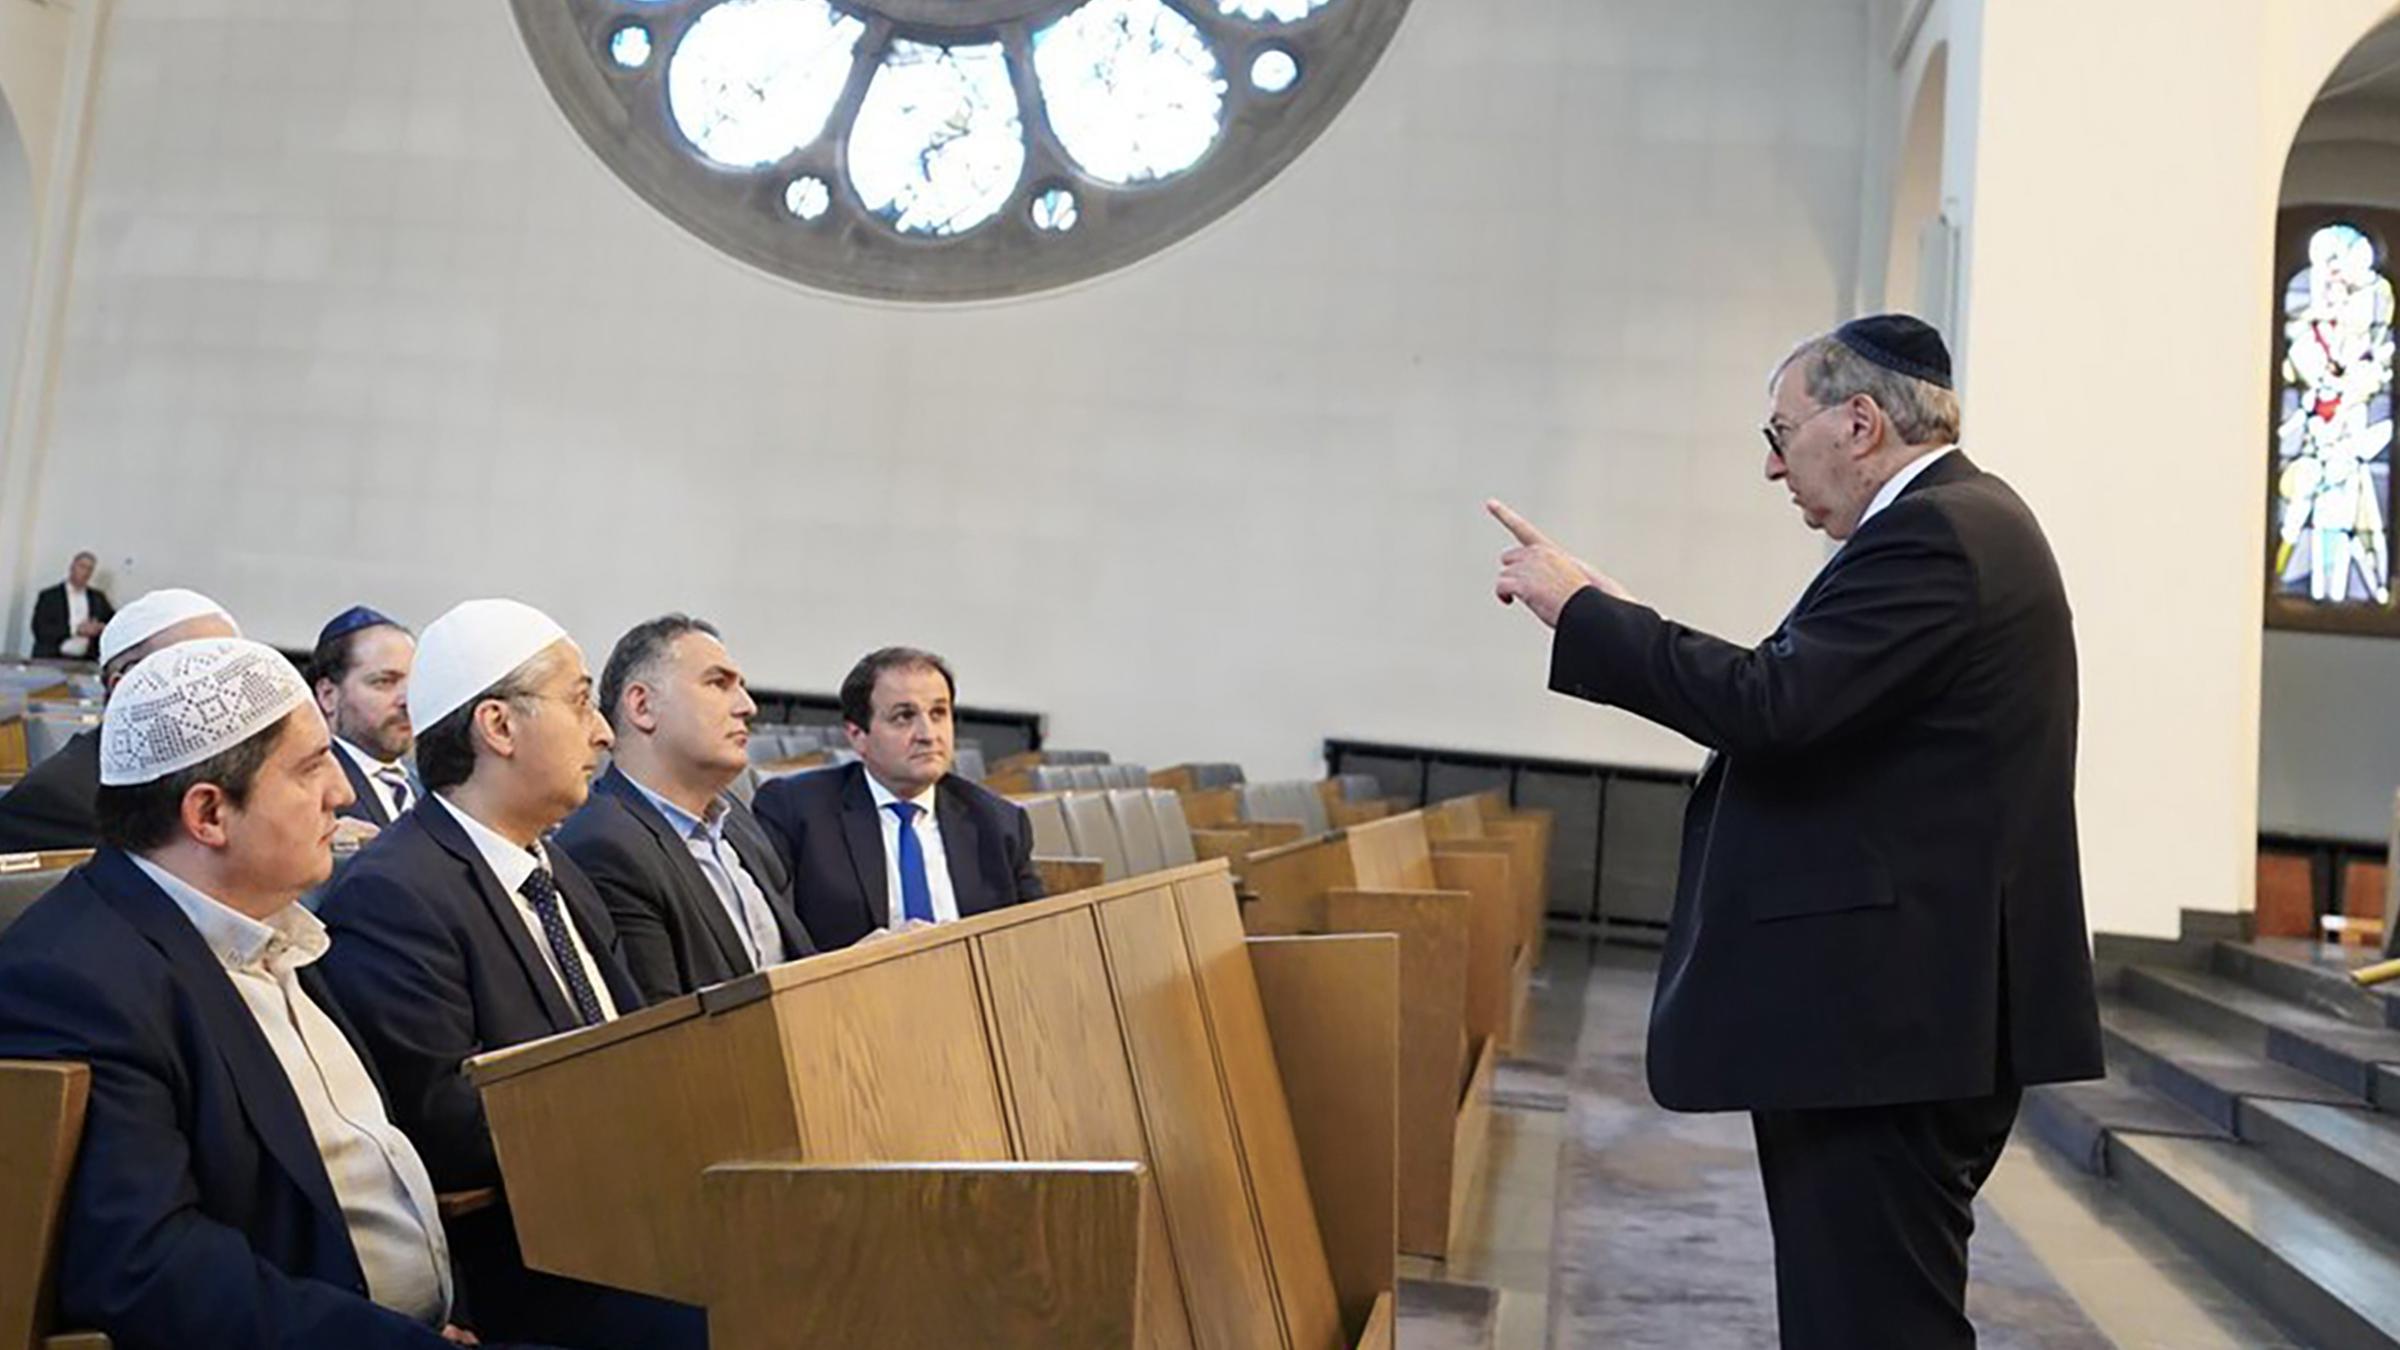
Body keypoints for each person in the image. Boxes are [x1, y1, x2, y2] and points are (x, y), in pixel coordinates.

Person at [1489, 314, 2103, 1350]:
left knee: (1871, 1327)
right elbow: (1808, 705)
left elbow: (1773, 707)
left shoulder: (1941, 533)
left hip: (1890, 1022)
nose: (1774, 468)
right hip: (1899, 1017)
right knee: (1857, 1319)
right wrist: (1622, 617)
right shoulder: (1957, 524)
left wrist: (1590, 612)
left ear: (1859, 423)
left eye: (1780, 434)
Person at [0, 638, 467, 1348]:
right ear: (210, 815)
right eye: (312, 766)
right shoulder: (75, 982)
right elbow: (154, 1272)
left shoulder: (274, 925)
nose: (342, 792)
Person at [316, 599, 695, 1350]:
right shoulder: (397, 890)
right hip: (533, 1262)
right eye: (581, 699)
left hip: (637, 1214)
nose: (603, 731)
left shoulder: (559, 871)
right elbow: (448, 1123)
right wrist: (642, 1118)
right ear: (498, 727)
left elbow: (633, 1039)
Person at [555, 614, 817, 1003]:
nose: (747, 707)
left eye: (741, 688)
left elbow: (791, 975)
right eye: (718, 683)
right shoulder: (603, 845)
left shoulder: (738, 823)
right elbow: (665, 1035)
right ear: (642, 706)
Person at [751, 646, 1041, 952]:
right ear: (857, 736)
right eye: (904, 717)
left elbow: (1036, 941)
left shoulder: (999, 822)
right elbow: (773, 945)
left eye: (939, 713)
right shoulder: (796, 811)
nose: (928, 734)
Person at [0, 588, 240, 853]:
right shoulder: (59, 799)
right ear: (125, 686)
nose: (219, 690)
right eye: (195, 670)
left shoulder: (241, 766)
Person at [312, 605, 419, 830]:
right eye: (384, 682)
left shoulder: (432, 789)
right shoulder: (310, 790)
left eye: (415, 683)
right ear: (328, 695)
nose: (407, 701)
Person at [29, 551, 113, 659]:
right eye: (82, 567)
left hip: (85, 661)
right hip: (51, 658)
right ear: (72, 567)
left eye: (90, 569)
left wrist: (101, 627)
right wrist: (75, 630)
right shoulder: (49, 596)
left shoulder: (98, 598)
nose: (86, 572)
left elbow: (112, 621)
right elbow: (39, 629)